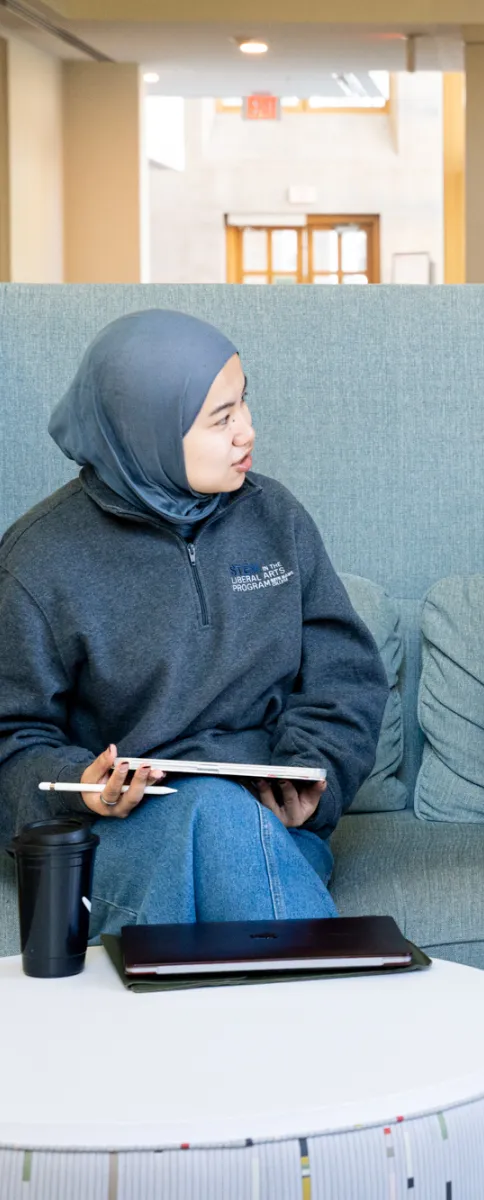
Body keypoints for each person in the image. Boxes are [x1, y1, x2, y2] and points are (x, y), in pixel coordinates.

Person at [0, 309, 387, 933]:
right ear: (145, 429)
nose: (248, 433)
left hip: (270, 831)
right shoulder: (39, 559)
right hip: (116, 839)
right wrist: (81, 785)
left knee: (226, 821)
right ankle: (339, 1018)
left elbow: (346, 680)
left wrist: (313, 775)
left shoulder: (276, 517)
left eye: (244, 406)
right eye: (221, 419)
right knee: (209, 809)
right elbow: (11, 741)